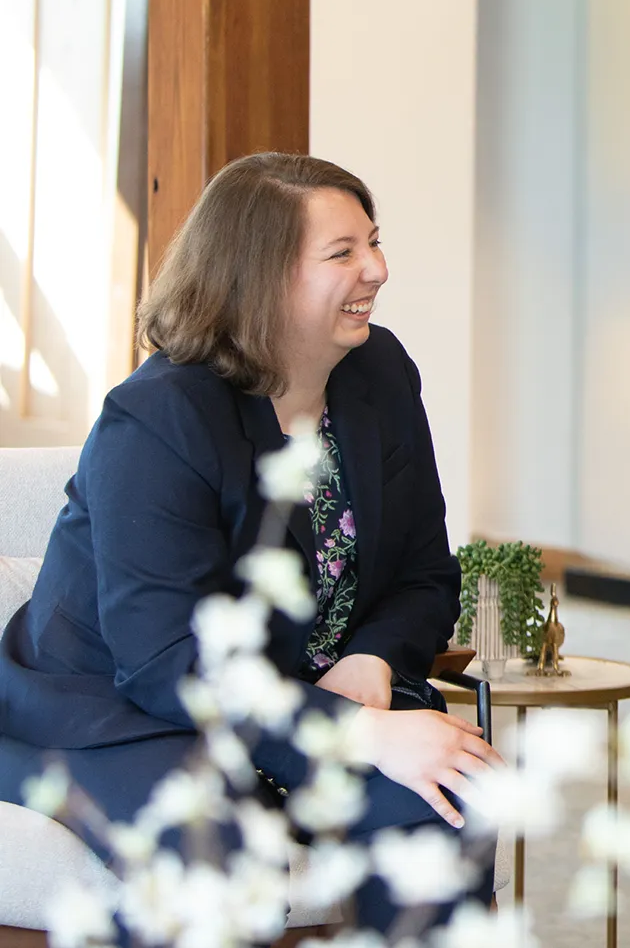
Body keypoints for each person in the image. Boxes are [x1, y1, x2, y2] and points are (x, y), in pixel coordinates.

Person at [0, 153, 499, 933]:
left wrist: (372, 661)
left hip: (302, 689)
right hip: (120, 709)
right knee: (223, 856)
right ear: (260, 275)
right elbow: (165, 661)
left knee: (450, 796)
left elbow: (426, 574)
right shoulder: (158, 417)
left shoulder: (381, 373)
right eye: (342, 252)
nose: (378, 268)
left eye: (373, 241)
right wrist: (360, 732)